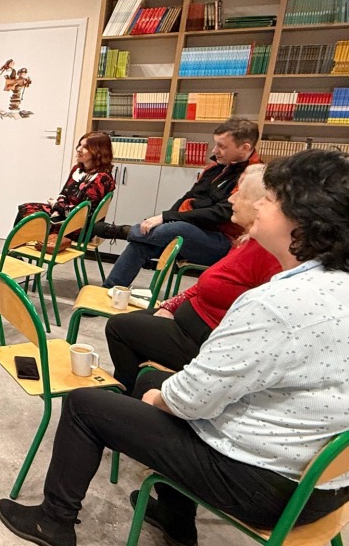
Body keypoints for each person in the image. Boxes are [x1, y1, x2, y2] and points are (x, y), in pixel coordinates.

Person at [0, 149, 349, 546]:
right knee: (148, 378)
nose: (256, 206)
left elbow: (193, 400)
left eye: (268, 199)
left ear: (300, 219)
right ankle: (176, 519)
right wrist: (158, 391)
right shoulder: (333, 284)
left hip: (265, 487)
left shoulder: (276, 304)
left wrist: (158, 399)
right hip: (321, 482)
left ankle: (54, 522)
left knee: (85, 405)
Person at [104, 164, 280, 394]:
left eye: (241, 195)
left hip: (204, 337)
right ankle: (133, 389)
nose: (232, 199)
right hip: (192, 319)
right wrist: (170, 305)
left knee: (119, 327)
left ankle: (131, 394)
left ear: (260, 205)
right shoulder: (246, 241)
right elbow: (206, 283)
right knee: (130, 321)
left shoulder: (268, 253)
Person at [98, 117, 260, 289]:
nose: (215, 150)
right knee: (140, 244)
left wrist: (167, 218)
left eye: (222, 146)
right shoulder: (214, 167)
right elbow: (189, 197)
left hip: (221, 242)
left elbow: (220, 213)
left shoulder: (253, 177)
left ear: (244, 148)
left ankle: (124, 231)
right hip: (192, 231)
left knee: (177, 228)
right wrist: (166, 218)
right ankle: (108, 290)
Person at [15, 131, 115, 231]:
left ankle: (19, 240)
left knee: (33, 221)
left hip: (76, 225)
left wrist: (56, 206)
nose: (78, 149)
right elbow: (63, 194)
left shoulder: (102, 178)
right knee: (25, 209)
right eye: (79, 145)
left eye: (85, 147)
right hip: (64, 214)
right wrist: (57, 209)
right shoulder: (77, 169)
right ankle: (17, 241)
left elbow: (83, 214)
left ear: (98, 152)